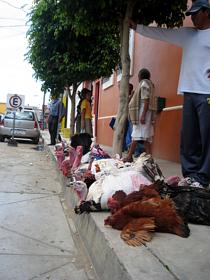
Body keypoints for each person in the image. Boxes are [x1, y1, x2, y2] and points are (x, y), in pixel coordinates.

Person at [130, 0, 210, 188]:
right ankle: (191, 175)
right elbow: (163, 33)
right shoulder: (188, 34)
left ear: (207, 12)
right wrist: (137, 27)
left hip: (207, 93)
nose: (193, 19)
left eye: (197, 14)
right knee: (188, 137)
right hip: (189, 93)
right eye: (191, 15)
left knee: (207, 137)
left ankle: (204, 177)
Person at [123, 68, 155, 162]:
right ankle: (150, 158)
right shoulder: (149, 84)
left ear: (139, 77)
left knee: (136, 136)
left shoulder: (144, 84)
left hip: (142, 113)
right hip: (145, 114)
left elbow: (146, 100)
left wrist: (143, 115)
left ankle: (129, 157)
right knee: (146, 138)